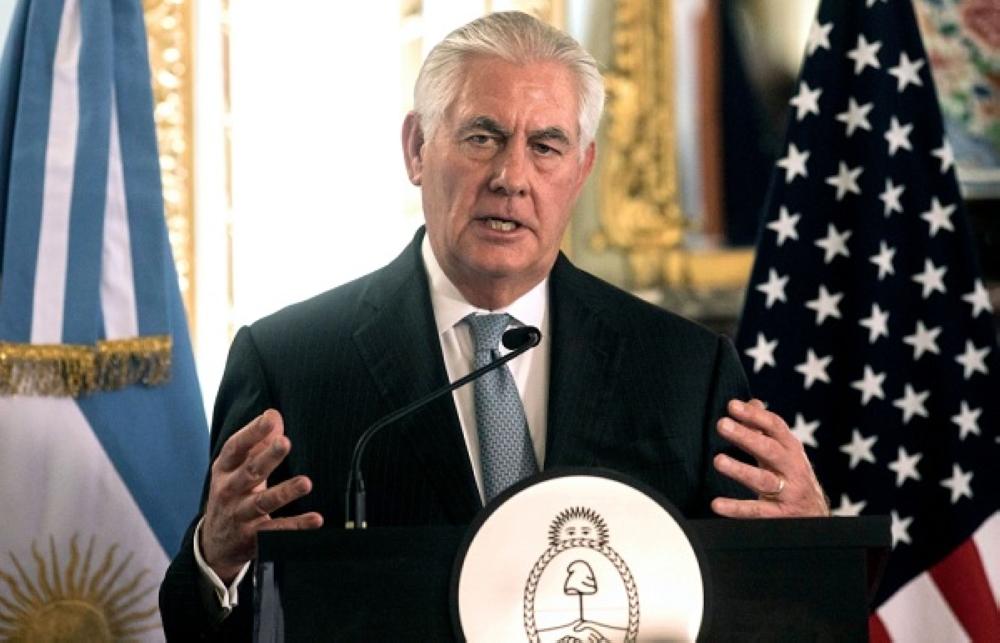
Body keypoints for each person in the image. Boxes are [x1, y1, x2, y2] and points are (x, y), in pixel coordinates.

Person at [159, 11, 828, 639]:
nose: (511, 177)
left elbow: (764, 612)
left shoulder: (685, 370)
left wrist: (808, 548)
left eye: (546, 145)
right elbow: (200, 626)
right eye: (483, 138)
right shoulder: (290, 364)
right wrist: (216, 559)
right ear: (417, 148)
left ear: (582, 169)